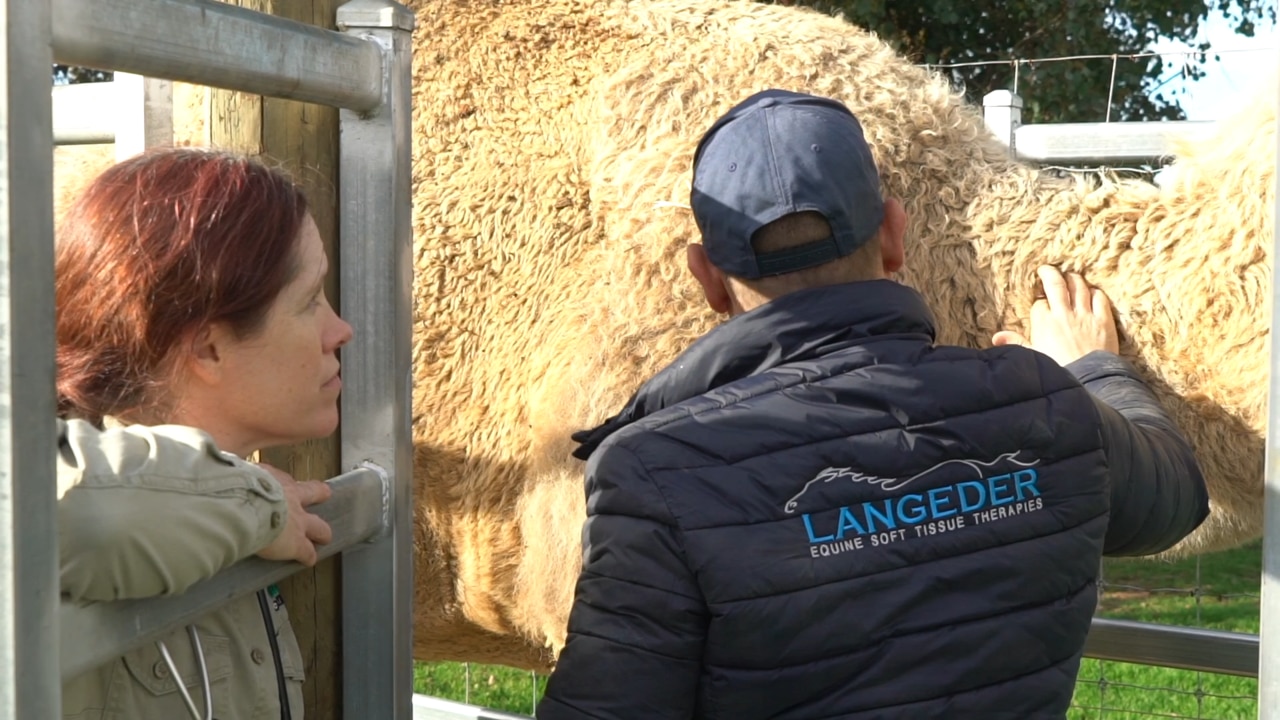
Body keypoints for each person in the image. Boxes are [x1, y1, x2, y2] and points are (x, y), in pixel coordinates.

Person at [538, 90, 1208, 719]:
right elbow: (1174, 498)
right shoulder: (1044, 399)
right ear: (893, 233)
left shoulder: (653, 470)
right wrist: (1094, 369)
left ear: (706, 276)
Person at [56, 147, 353, 720]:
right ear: (209, 348)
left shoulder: (217, 510)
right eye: (310, 301)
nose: (340, 329)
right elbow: (93, 515)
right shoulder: (46, 472)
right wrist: (256, 506)